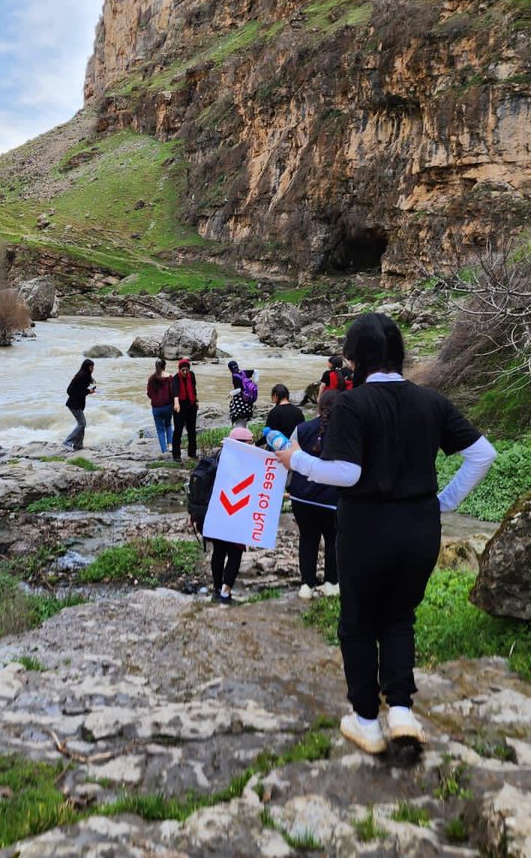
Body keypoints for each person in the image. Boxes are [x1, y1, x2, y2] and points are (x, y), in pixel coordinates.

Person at [274, 314, 496, 756]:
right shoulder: (431, 401)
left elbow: (345, 472)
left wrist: (292, 459)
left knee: (357, 622)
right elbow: (482, 454)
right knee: (399, 617)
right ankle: (400, 712)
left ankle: (366, 721)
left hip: (367, 529)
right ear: (400, 355)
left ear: (353, 360)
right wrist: (443, 501)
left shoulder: (352, 405)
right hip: (419, 529)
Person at [289, 389, 340, 600]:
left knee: (307, 540)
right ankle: (331, 583)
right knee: (333, 539)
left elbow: (291, 460)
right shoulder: (346, 432)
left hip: (302, 497)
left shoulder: (300, 429)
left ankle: (306, 586)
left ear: (318, 407)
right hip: (332, 500)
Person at [200, 426, 254, 604]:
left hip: (215, 513)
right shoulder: (245, 462)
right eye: (250, 443)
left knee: (219, 551)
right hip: (234, 514)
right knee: (235, 553)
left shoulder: (217, 456)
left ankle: (216, 588)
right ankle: (225, 593)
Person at [62, 359, 95, 451]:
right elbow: (77, 392)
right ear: (87, 367)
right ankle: (67, 442)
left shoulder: (80, 375)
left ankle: (78, 445)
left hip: (75, 403)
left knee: (81, 424)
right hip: (74, 404)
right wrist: (89, 391)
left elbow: (72, 390)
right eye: (91, 367)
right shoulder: (83, 376)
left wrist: (88, 390)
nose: (93, 369)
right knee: (82, 424)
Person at [171, 357, 199, 463]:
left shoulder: (191, 375)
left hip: (191, 406)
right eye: (183, 370)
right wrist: (176, 404)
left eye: (187, 370)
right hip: (180, 407)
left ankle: (192, 453)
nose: (185, 372)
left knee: (192, 430)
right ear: (179, 370)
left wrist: (196, 401)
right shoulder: (175, 378)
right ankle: (176, 455)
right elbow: (175, 392)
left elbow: (193, 388)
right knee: (178, 430)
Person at [146, 359, 175, 455]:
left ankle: (164, 451)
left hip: (156, 408)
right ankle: (170, 445)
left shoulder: (151, 379)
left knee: (160, 430)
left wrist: (155, 398)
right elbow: (172, 392)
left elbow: (149, 394)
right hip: (167, 406)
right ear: (164, 367)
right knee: (168, 425)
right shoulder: (170, 378)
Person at [227, 359, 254, 428]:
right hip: (248, 398)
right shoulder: (243, 372)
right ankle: (245, 431)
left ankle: (239, 432)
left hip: (240, 399)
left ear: (230, 369)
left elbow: (238, 390)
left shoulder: (234, 376)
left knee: (238, 416)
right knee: (245, 418)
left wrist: (231, 393)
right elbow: (256, 371)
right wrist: (256, 382)